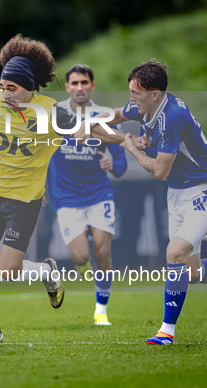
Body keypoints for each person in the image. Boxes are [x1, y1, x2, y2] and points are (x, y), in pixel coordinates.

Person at [0, 35, 127, 344]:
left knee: (9, 271)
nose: (6, 94)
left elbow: (93, 128)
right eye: (3, 87)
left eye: (12, 89)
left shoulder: (52, 112)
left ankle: (45, 271)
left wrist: (124, 139)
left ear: (29, 88)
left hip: (24, 202)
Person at [77, 59, 207, 345]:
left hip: (205, 193)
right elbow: (117, 114)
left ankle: (166, 332)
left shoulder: (171, 117)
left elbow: (159, 171)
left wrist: (129, 144)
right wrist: (89, 124)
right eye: (130, 91)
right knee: (192, 273)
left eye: (136, 93)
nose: (131, 98)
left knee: (174, 253)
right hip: (178, 196)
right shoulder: (146, 106)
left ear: (155, 94)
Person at [46, 64, 127, 326]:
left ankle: (101, 309)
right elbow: (41, 154)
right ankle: (83, 264)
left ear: (92, 85)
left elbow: (121, 161)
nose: (79, 88)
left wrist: (112, 165)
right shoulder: (55, 115)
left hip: (98, 192)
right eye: (74, 83)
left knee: (103, 251)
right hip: (65, 195)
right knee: (80, 256)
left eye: (84, 83)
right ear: (67, 87)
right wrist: (40, 187)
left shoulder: (104, 116)